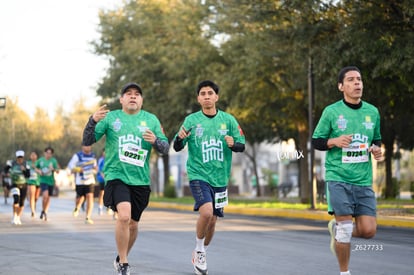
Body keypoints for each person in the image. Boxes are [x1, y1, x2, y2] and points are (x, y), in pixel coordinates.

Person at [82, 82, 169, 275]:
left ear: (141, 100)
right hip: (116, 176)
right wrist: (92, 121)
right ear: (121, 99)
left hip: (140, 180)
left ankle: (121, 256)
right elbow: (87, 141)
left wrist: (155, 141)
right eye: (128, 94)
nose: (132, 97)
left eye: (137, 94)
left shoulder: (151, 120)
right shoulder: (111, 118)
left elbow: (165, 147)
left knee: (134, 224)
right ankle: (123, 263)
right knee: (124, 216)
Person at [312, 66, 382, 275]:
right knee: (345, 231)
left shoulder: (372, 112)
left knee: (368, 231)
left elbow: (376, 139)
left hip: (363, 179)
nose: (357, 83)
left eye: (359, 79)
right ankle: (344, 272)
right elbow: (317, 141)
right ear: (341, 86)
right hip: (338, 177)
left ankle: (337, 227)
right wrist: (334, 141)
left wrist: (377, 149)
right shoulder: (331, 112)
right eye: (351, 80)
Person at [173, 80, 245, 275]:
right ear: (198, 98)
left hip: (220, 178)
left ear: (216, 97)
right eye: (203, 93)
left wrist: (233, 144)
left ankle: (202, 250)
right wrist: (179, 138)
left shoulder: (228, 120)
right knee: (206, 213)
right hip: (198, 174)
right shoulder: (191, 120)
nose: (206, 96)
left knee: (213, 221)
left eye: (210, 93)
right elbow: (177, 146)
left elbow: (241, 145)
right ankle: (198, 248)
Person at [67, 145, 97, 224]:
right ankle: (77, 207)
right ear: (82, 147)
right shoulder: (77, 156)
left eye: (89, 146)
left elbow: (95, 167)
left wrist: (95, 169)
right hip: (80, 181)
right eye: (86, 146)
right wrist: (78, 169)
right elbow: (70, 166)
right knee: (80, 198)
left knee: (89, 196)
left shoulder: (93, 156)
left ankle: (88, 217)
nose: (88, 147)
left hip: (90, 180)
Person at [5, 150, 30, 225]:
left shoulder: (26, 164)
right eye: (18, 158)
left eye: (21, 158)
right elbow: (5, 170)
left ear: (23, 158)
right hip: (14, 184)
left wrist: (24, 170)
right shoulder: (12, 163)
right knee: (16, 199)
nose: (20, 159)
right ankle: (14, 216)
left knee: (21, 203)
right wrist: (7, 173)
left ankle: (18, 216)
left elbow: (28, 175)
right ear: (16, 158)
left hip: (23, 184)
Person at [36, 146, 60, 221]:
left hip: (51, 181)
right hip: (43, 180)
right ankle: (44, 209)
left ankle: (45, 211)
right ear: (44, 153)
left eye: (50, 153)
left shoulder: (53, 161)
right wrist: (39, 171)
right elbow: (36, 167)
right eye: (47, 153)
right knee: (45, 196)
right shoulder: (41, 160)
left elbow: (58, 170)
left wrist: (53, 169)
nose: (48, 155)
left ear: (52, 154)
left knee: (48, 197)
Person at [27, 151, 41, 217]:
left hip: (38, 181)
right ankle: (32, 211)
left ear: (36, 156)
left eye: (34, 155)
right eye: (32, 155)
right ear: (30, 156)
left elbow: (41, 172)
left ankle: (33, 206)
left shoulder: (39, 163)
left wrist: (35, 168)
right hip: (30, 181)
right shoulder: (27, 163)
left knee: (36, 197)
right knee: (32, 196)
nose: (33, 156)